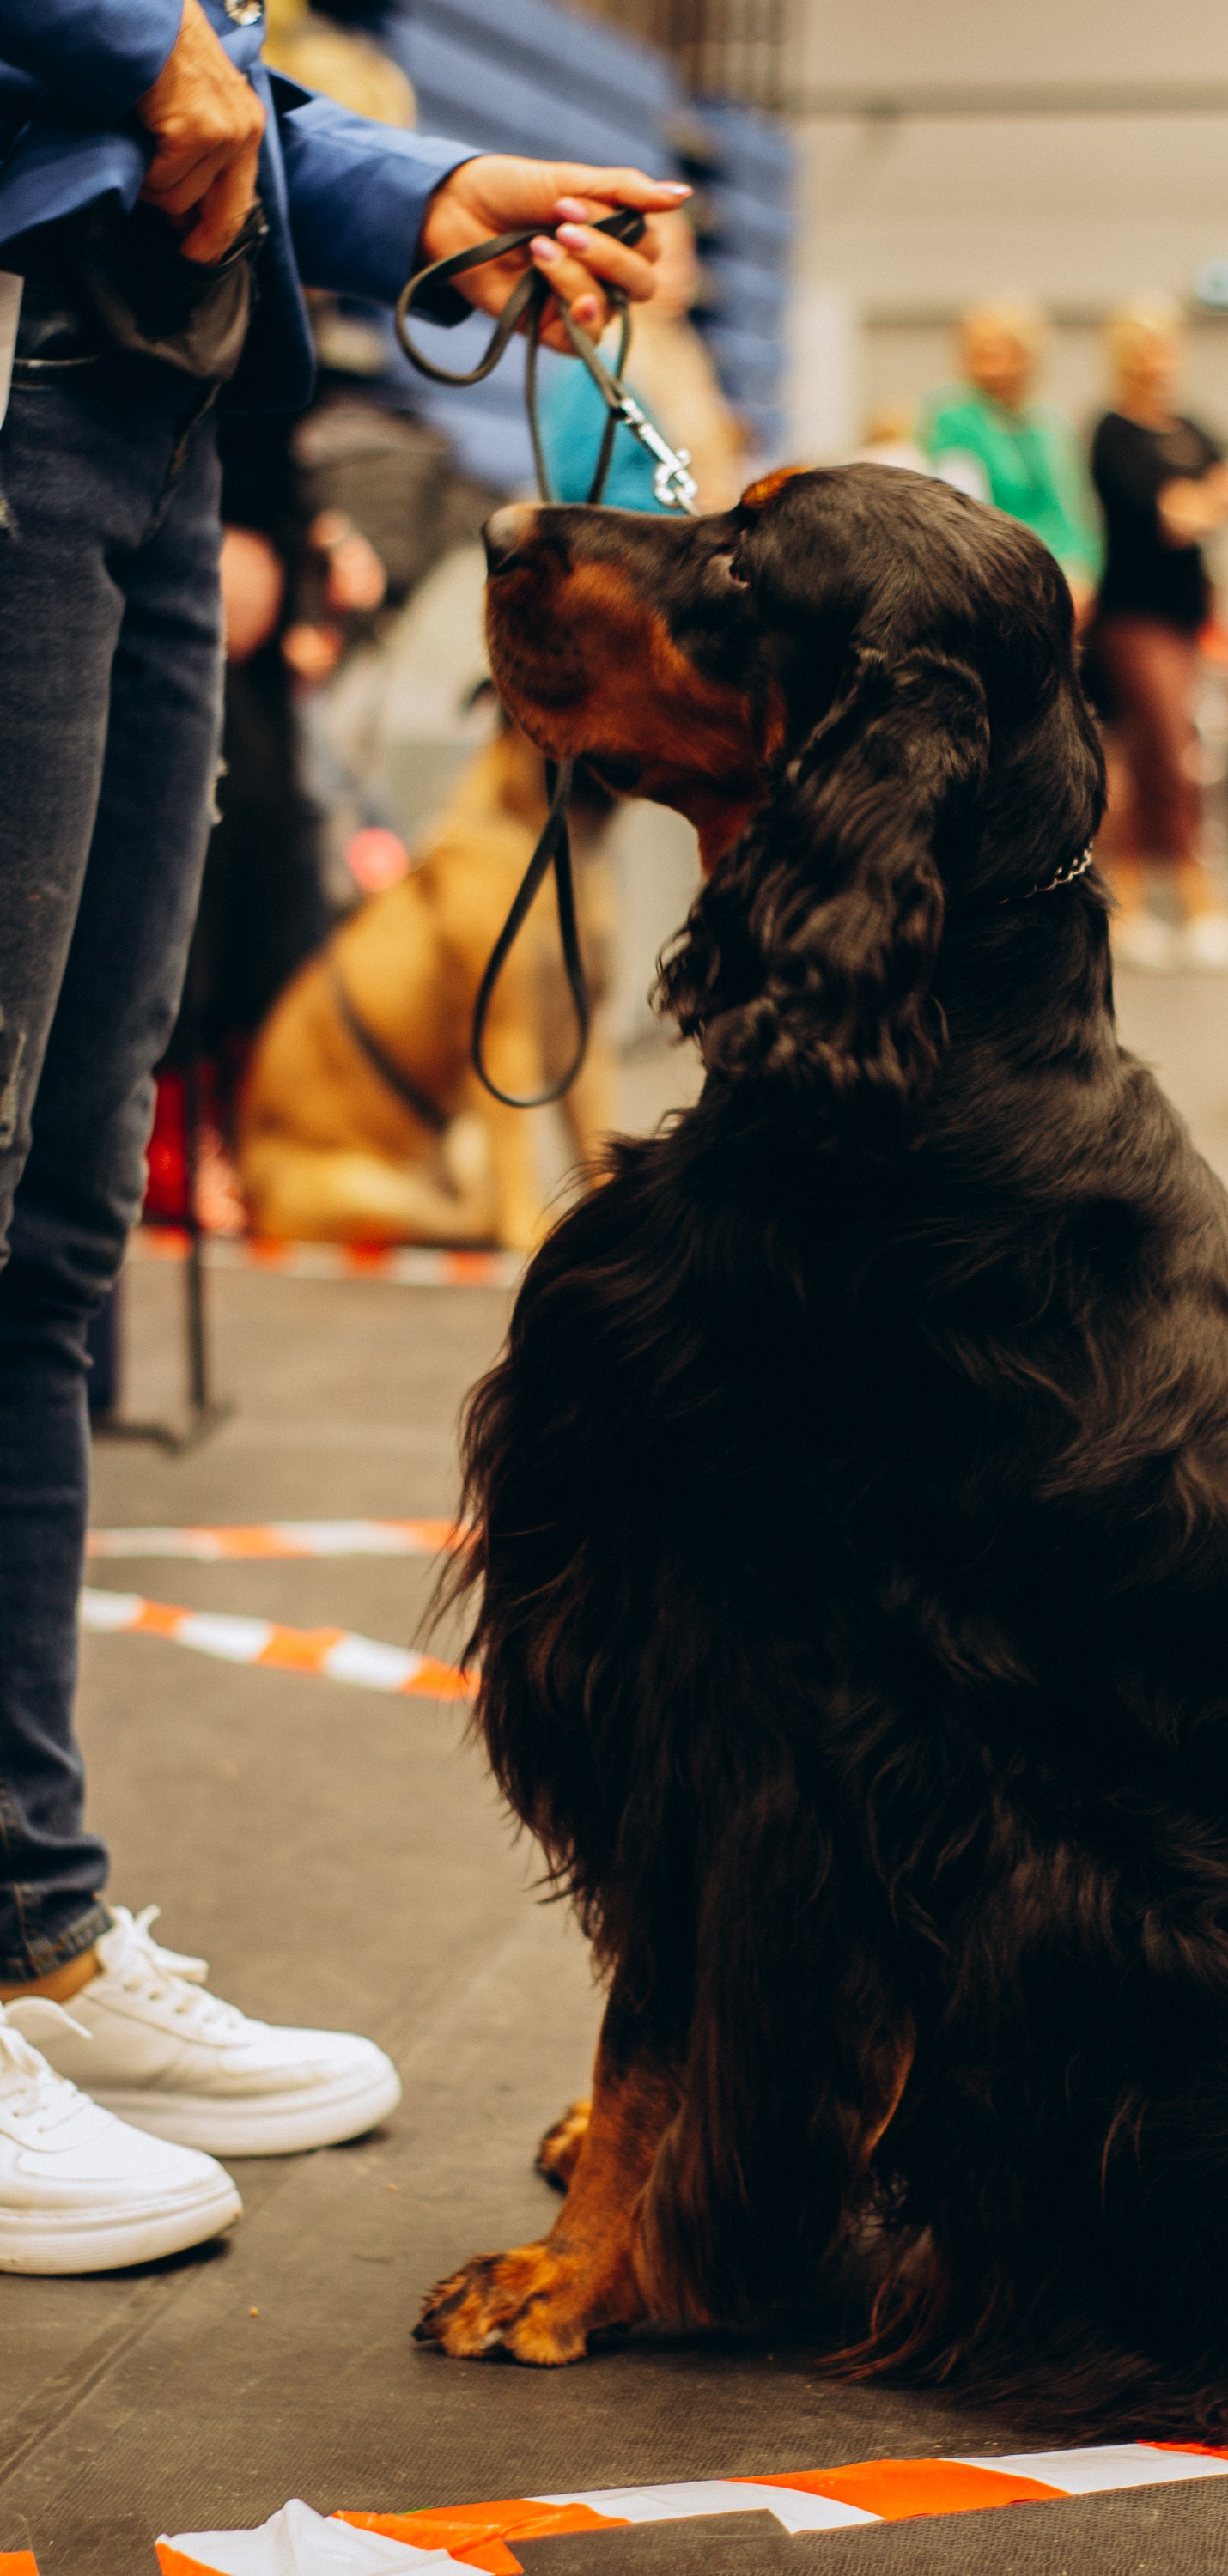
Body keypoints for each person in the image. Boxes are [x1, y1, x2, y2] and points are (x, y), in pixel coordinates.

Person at [0, 0, 689, 2278]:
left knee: (51, 1243)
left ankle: (27, 1930)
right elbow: (134, 51)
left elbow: (206, 81)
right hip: (21, 352)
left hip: (148, 400)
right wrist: (117, 34)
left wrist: (411, 194)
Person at [1085, 298, 1228, 972]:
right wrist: (1214, 500)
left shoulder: (1188, 425)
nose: (1160, 363)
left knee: (1150, 758)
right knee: (1169, 744)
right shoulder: (1111, 433)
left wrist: (1207, 502)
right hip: (1133, 617)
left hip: (1189, 617)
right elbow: (1173, 518)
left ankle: (1126, 893)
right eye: (1148, 350)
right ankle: (1197, 894)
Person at [541, 210, 746, 515]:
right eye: (668, 260)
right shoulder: (603, 356)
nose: (687, 275)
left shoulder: (683, 349)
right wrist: (687, 512)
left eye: (689, 258)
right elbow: (584, 487)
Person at [918, 299, 1100, 600]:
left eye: (1000, 353)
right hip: (993, 583)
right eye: (979, 353)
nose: (989, 365)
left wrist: (1082, 574)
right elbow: (962, 510)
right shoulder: (951, 416)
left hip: (1062, 580)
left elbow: (1076, 511)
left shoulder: (1050, 424)